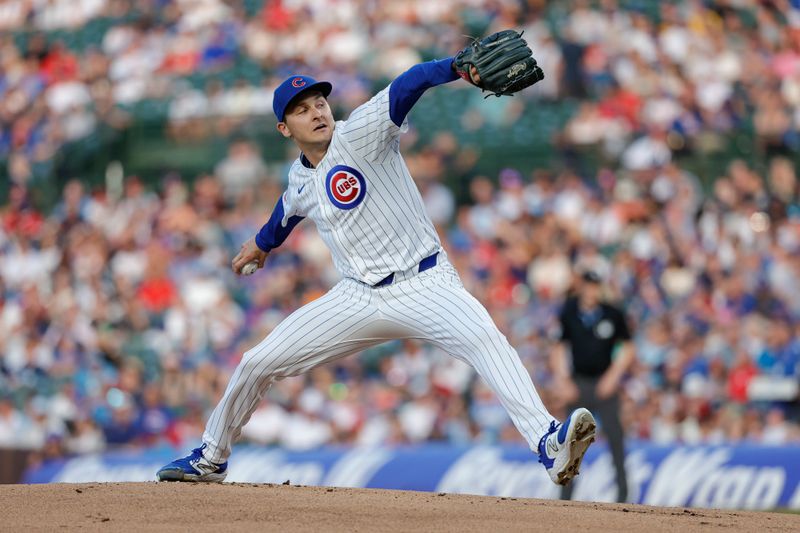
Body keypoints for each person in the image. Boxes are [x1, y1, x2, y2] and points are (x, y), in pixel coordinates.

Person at [156, 47, 596, 485]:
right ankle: (211, 458)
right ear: (284, 128)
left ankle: (548, 443)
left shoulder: (360, 132)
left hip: (424, 283)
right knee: (256, 362)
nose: (316, 113)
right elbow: (287, 210)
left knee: (486, 339)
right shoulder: (299, 176)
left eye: (320, 103)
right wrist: (262, 243)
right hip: (358, 297)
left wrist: (457, 67)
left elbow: (410, 82)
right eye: (302, 110)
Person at [552, 271, 634, 502]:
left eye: (595, 286)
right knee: (571, 442)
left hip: (604, 382)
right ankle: (565, 497)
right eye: (588, 286)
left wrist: (613, 377)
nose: (591, 291)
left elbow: (627, 348)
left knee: (616, 438)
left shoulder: (612, 313)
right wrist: (563, 380)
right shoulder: (569, 312)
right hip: (578, 383)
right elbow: (558, 348)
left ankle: (623, 496)